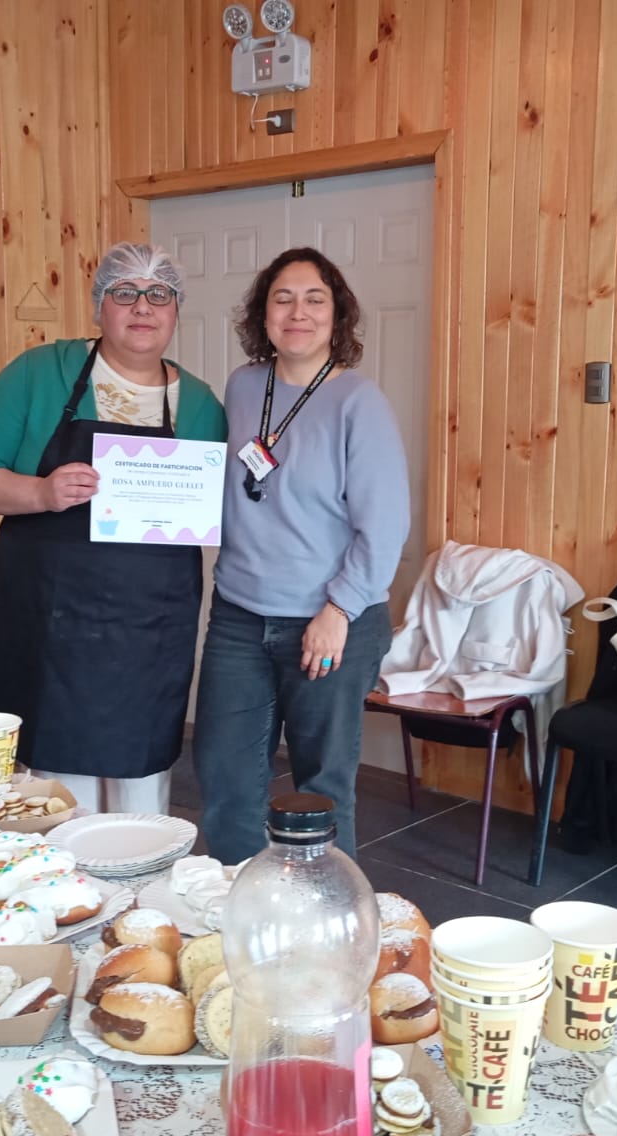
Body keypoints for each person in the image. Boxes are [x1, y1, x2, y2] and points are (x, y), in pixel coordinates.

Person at [0, 243, 227, 813]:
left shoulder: (199, 403)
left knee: (141, 777)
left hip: (149, 623)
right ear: (100, 305)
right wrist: (40, 491)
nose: (142, 307)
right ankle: (63, 889)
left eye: (159, 295)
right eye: (125, 293)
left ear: (176, 310)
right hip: (53, 618)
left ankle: (137, 885)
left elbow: (216, 501)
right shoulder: (39, 373)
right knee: (58, 786)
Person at [193, 247, 410, 860]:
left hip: (331, 622)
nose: (298, 312)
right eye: (282, 298)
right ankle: (234, 910)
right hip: (238, 613)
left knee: (321, 787)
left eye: (315, 299)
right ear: (262, 316)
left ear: (336, 314)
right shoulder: (242, 386)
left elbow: (385, 527)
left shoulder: (358, 403)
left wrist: (337, 611)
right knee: (226, 778)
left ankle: (323, 919)